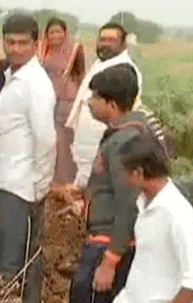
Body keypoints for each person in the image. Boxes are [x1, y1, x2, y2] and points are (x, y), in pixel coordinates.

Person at [82, 137, 193, 303]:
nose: (119, 179)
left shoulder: (177, 215)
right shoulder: (143, 202)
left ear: (139, 173)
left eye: (123, 173)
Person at [69, 64, 165, 303]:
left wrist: (110, 260)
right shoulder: (125, 134)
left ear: (111, 104)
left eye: (94, 97)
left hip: (111, 242)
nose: (88, 103)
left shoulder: (124, 141)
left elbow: (129, 203)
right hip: (112, 239)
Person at [0, 14, 56, 303]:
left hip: (21, 184)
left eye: (22, 43)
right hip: (8, 179)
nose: (15, 49)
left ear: (36, 43)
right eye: (10, 42)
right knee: (17, 250)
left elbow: (46, 140)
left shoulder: (36, 84)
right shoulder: (13, 77)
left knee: (13, 255)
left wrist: (39, 185)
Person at [66, 22, 143, 188]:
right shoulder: (99, 64)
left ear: (123, 44)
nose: (105, 44)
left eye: (111, 40)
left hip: (103, 143)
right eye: (102, 39)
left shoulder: (125, 70)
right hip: (87, 144)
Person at [39, 17, 86, 185]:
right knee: (48, 145)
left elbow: (81, 76)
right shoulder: (43, 51)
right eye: (51, 32)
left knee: (64, 146)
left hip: (66, 104)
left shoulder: (75, 51)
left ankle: (66, 184)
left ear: (65, 33)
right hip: (46, 103)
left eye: (58, 31)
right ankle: (50, 183)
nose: (55, 36)